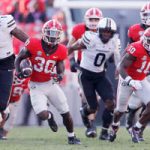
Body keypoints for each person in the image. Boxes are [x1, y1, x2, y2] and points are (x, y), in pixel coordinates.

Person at [14, 19, 81, 145]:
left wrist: (59, 76)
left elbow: (60, 69)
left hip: (50, 84)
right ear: (44, 32)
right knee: (42, 114)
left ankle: (72, 137)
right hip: (35, 85)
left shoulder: (61, 49)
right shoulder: (33, 43)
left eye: (56, 33)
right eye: (51, 32)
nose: (53, 36)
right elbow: (19, 58)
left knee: (65, 111)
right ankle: (50, 117)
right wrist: (19, 71)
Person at [68, 17, 120, 141]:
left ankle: (104, 132)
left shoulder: (114, 41)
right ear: (99, 31)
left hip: (100, 75)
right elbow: (71, 47)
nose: (106, 34)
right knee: (93, 107)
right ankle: (84, 111)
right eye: (104, 31)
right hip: (86, 75)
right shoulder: (90, 38)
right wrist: (71, 61)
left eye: (109, 32)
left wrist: (118, 68)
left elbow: (117, 58)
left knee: (111, 103)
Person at [109, 27, 150, 143]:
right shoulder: (137, 48)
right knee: (121, 110)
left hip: (141, 80)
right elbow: (121, 67)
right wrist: (130, 80)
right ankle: (114, 126)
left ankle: (136, 129)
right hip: (126, 80)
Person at [68, 7, 103, 138]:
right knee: (86, 96)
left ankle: (89, 122)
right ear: (86, 20)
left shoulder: (105, 30)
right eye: (91, 19)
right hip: (82, 68)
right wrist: (71, 60)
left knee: (95, 98)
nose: (94, 22)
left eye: (96, 19)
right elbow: (69, 48)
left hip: (99, 68)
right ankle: (91, 125)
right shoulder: (78, 30)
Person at [125, 2, 150, 141]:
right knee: (137, 101)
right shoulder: (135, 30)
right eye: (147, 15)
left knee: (147, 102)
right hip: (139, 69)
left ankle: (138, 129)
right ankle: (131, 117)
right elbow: (129, 49)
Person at [0, 14, 29, 122]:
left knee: (2, 104)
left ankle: (4, 112)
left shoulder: (6, 21)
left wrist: (32, 45)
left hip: (6, 62)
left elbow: (18, 33)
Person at [0, 68, 30, 140]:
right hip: (5, 101)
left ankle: (3, 136)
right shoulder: (7, 76)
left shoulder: (26, 79)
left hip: (15, 101)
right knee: (4, 115)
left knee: (10, 122)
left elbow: (24, 89)